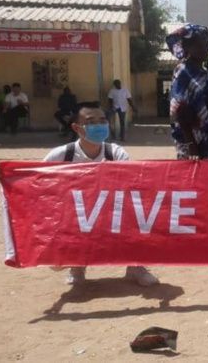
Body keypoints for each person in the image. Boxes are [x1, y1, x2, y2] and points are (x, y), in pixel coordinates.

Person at [42, 105, 158, 286]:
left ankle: (136, 266)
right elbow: (36, 181)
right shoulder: (62, 155)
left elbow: (134, 183)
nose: (99, 125)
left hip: (112, 213)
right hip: (76, 216)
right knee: (58, 255)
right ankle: (77, 266)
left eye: (102, 121)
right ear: (76, 128)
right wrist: (6, 176)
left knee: (142, 217)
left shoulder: (116, 153)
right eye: (91, 122)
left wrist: (112, 175)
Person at [167, 24, 208, 159]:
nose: (205, 49)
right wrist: (191, 144)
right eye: (199, 45)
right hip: (190, 142)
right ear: (187, 48)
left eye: (207, 44)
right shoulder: (183, 71)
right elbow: (179, 110)